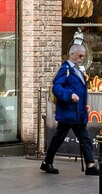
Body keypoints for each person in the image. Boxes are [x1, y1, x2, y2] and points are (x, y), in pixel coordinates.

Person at [40, 41, 96, 175]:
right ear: (72, 55)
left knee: (78, 138)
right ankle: (90, 165)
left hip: (77, 112)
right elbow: (57, 87)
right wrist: (70, 95)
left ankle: (90, 165)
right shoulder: (65, 69)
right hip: (69, 112)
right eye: (80, 56)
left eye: (83, 56)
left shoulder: (77, 70)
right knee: (72, 138)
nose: (82, 59)